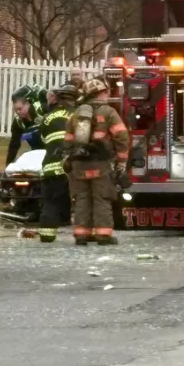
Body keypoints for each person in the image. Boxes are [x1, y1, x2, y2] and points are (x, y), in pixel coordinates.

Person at [64, 77, 130, 246]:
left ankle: (81, 235)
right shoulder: (109, 112)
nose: (108, 94)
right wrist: (122, 161)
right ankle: (103, 235)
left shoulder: (77, 113)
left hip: (78, 164)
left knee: (81, 198)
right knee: (102, 198)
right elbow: (121, 137)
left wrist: (67, 158)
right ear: (101, 93)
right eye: (106, 92)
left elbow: (68, 139)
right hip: (100, 164)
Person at [36, 83, 80, 243]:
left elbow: (43, 139)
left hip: (51, 167)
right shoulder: (78, 116)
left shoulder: (47, 118)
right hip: (73, 167)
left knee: (50, 203)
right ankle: (84, 234)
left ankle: (47, 235)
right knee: (82, 202)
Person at [6, 84, 49, 166]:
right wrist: (8, 165)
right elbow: (14, 145)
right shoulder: (18, 122)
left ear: (28, 104)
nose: (18, 112)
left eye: (20, 109)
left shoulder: (42, 110)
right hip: (37, 152)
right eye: (15, 110)